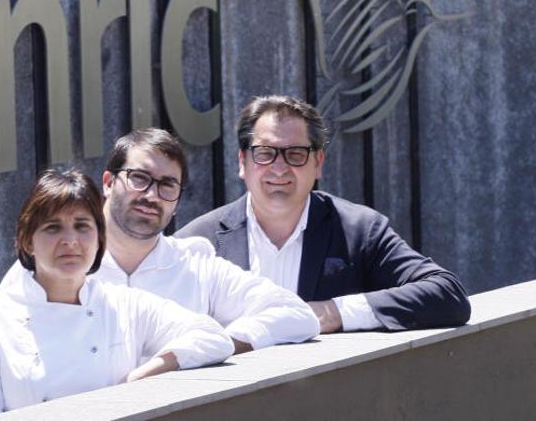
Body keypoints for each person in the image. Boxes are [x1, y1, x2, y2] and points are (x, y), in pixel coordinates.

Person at [2, 129, 320, 353]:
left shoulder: (196, 267)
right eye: (140, 178)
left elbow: (295, 315)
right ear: (109, 182)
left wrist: (215, 345)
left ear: (178, 201)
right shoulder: (50, 265)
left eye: (167, 185)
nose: (151, 195)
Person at [176, 95, 471, 333]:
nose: (279, 168)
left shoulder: (359, 230)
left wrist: (334, 312)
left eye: (295, 154)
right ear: (243, 162)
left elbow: (447, 295)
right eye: (265, 153)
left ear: (318, 163)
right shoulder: (200, 242)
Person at [0, 170, 233, 417]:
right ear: (27, 241)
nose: (70, 241)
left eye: (82, 226)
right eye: (53, 227)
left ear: (99, 239)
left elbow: (213, 337)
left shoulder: (123, 305)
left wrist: (144, 374)